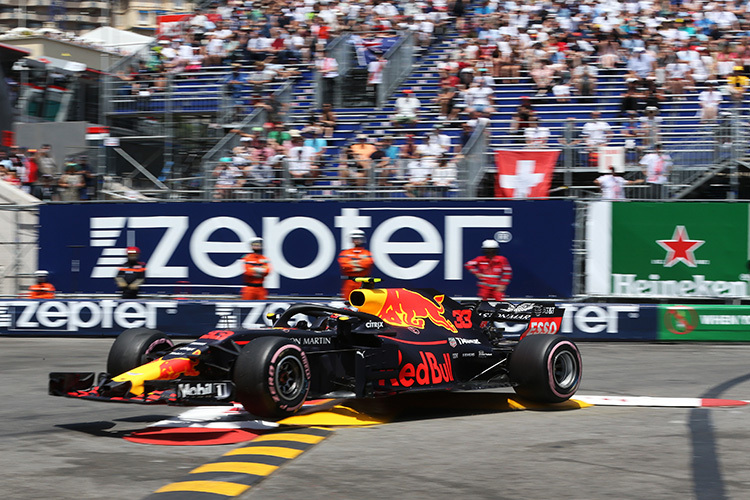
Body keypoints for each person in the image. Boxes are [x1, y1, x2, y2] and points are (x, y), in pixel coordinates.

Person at [337, 229, 374, 300]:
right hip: (349, 282)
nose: (357, 240)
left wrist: (352, 263)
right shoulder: (345, 253)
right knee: (348, 302)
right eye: (354, 238)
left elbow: (367, 264)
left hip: (363, 282)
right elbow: (344, 265)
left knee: (363, 301)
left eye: (359, 238)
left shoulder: (367, 253)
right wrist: (359, 263)